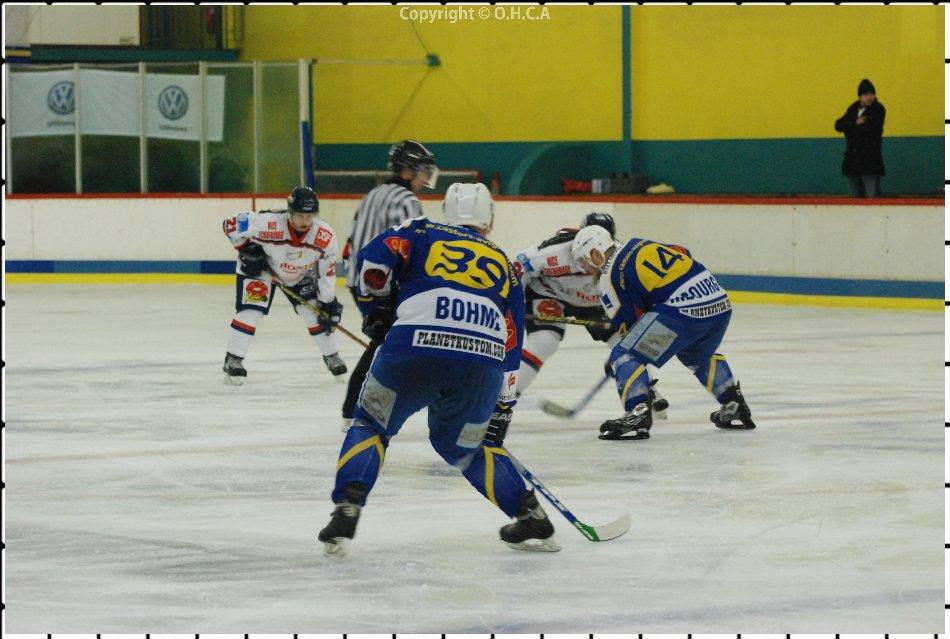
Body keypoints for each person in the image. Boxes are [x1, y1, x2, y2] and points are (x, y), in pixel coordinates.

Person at [317, 183, 559, 555]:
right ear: (489, 220)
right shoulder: (504, 263)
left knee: (371, 424)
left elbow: (372, 262)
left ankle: (348, 506)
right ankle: (531, 515)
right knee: (467, 448)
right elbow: (513, 339)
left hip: (414, 347)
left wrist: (375, 310)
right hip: (482, 363)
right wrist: (505, 404)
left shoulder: (420, 230)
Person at [570, 225, 756, 440]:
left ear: (596, 253)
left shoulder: (609, 278)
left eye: (583, 261)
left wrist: (621, 365)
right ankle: (733, 404)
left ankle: (637, 412)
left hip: (683, 311)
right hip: (718, 302)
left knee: (625, 354)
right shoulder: (639, 243)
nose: (585, 268)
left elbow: (629, 327)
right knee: (696, 355)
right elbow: (683, 252)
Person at [513, 212, 668, 415]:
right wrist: (512, 303)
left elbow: (632, 298)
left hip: (594, 301)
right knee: (544, 341)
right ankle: (504, 397)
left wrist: (622, 357)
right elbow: (519, 267)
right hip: (550, 293)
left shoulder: (619, 255)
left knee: (622, 343)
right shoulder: (555, 250)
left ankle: (645, 389)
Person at [340, 140, 438, 432]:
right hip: (387, 285)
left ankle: (356, 409)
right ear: (408, 170)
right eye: (423, 171)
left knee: (385, 342)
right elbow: (414, 248)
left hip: (361, 282)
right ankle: (354, 410)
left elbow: (352, 242)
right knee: (387, 344)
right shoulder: (407, 200)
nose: (426, 179)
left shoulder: (373, 194)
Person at [221, 186, 346, 385]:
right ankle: (233, 359)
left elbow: (326, 272)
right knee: (252, 310)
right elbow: (229, 226)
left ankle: (332, 355)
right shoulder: (267, 223)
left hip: (300, 274)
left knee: (314, 312)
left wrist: (327, 301)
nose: (305, 221)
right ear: (290, 212)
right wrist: (245, 249)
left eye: (309, 216)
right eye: (300, 215)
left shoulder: (325, 236)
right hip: (261, 270)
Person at [834, 78, 886, 198]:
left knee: (872, 195)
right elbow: (838, 125)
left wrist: (850, 126)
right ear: (860, 97)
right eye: (865, 94)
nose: (869, 97)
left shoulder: (878, 109)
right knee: (854, 197)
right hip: (853, 160)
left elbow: (871, 127)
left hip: (870, 160)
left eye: (871, 94)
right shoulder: (853, 108)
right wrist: (854, 123)